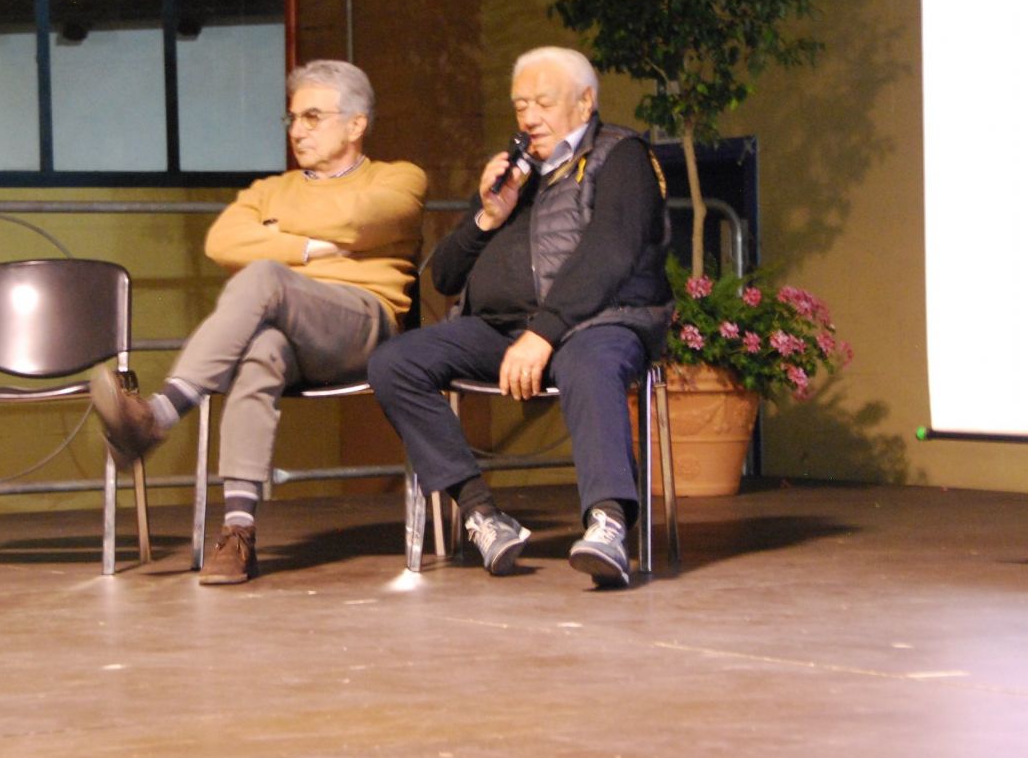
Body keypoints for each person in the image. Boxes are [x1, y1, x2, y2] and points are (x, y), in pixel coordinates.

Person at [92, 60, 426, 585]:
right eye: (292, 119)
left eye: (312, 117)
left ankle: (161, 412)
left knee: (265, 274)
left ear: (356, 124)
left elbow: (360, 218)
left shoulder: (398, 177)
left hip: (363, 325)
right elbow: (222, 241)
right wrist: (316, 247)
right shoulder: (271, 188)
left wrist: (272, 234)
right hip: (292, 334)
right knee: (261, 350)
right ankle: (239, 532)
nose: (298, 131)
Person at [368, 46, 671, 588]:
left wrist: (543, 333)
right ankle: (482, 514)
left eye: (543, 103)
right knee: (396, 362)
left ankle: (607, 523)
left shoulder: (622, 157)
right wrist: (487, 216)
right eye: (520, 105)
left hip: (597, 321)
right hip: (501, 331)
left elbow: (609, 256)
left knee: (592, 363)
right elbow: (445, 277)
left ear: (585, 103)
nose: (529, 117)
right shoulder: (517, 171)